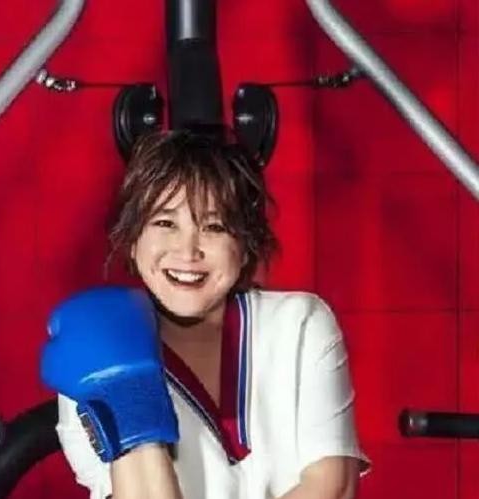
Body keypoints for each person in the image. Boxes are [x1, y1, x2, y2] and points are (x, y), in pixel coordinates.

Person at [43, 129, 371, 499]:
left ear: (245, 246)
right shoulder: (89, 349)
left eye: (214, 227)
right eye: (165, 223)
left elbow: (332, 487)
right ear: (133, 240)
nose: (188, 251)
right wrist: (131, 405)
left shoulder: (301, 323)